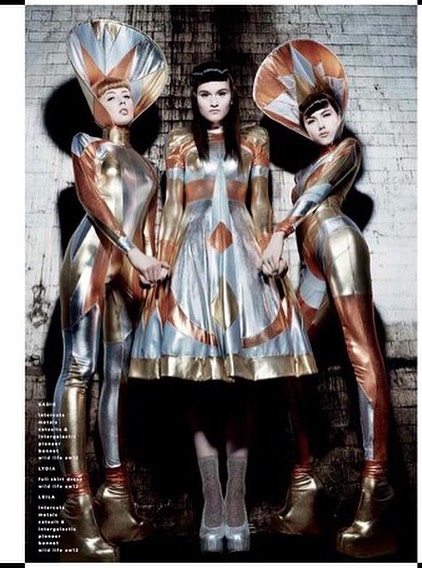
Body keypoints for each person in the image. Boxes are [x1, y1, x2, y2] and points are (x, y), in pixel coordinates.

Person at [130, 61, 317, 554]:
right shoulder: (179, 142)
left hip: (241, 257)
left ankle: (236, 501)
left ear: (232, 97)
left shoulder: (254, 140)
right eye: (205, 94)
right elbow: (172, 207)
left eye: (221, 93)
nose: (213, 101)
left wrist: (272, 249)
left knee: (240, 387)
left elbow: (260, 205)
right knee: (194, 385)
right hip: (192, 258)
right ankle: (211, 502)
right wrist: (160, 260)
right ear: (195, 100)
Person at [253, 39, 396, 558]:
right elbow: (302, 190)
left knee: (361, 352)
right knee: (291, 356)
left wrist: (281, 230)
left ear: (339, 115)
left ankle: (377, 490)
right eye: (311, 119)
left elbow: (317, 197)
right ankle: (305, 486)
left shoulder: (347, 151)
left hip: (339, 244)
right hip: (312, 263)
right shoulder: (297, 172)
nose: (320, 124)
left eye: (327, 114)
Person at [53, 19, 169, 562]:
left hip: (128, 269)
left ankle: (116, 496)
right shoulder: (88, 144)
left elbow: (150, 226)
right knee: (79, 369)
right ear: (97, 106)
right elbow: (94, 203)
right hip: (91, 258)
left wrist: (149, 267)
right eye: (111, 96)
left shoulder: (148, 165)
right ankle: (75, 504)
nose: (122, 101)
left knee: (118, 376)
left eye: (127, 96)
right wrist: (131, 250)